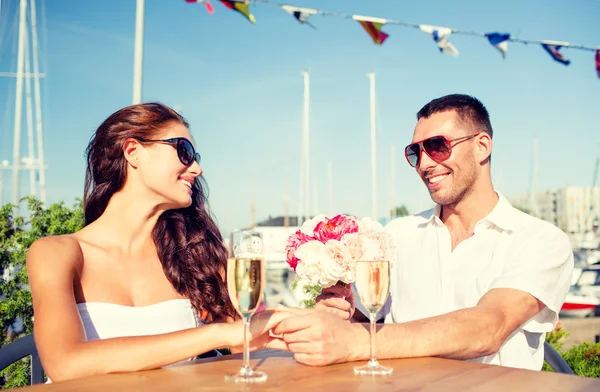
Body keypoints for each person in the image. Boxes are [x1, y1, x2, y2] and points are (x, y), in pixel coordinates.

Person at [271, 94, 574, 370]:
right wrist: (338, 315)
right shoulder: (396, 235)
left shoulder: (540, 240)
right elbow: (363, 318)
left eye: (437, 146)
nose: (424, 164)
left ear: (482, 146)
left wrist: (356, 342)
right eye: (415, 152)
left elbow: (488, 327)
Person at [26, 103, 288, 382]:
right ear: (133, 152)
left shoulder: (190, 255)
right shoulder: (56, 253)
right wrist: (213, 334)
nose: (197, 169)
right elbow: (65, 364)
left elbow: (243, 340)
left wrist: (322, 311)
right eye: (184, 152)